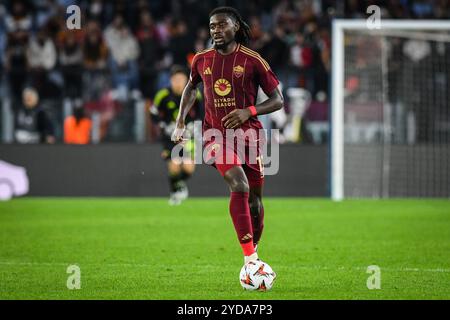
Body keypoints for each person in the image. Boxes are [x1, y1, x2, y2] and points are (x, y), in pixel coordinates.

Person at [172, 7, 284, 264]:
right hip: (214, 136)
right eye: (212, 26)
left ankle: (253, 252)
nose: (216, 30)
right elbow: (191, 87)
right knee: (239, 184)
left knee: (255, 202)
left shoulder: (253, 60)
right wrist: (180, 121)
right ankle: (250, 260)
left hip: (249, 138)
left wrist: (249, 111)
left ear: (236, 28)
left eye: (222, 25)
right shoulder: (201, 59)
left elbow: (278, 100)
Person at [151, 65, 203, 205]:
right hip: (170, 136)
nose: (178, 82)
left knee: (188, 168)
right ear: (171, 80)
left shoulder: (195, 94)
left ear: (186, 80)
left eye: (181, 79)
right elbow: (153, 114)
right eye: (176, 79)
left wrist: (193, 127)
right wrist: (163, 125)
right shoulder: (162, 95)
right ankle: (175, 191)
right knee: (174, 164)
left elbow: (202, 114)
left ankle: (179, 185)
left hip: (188, 136)